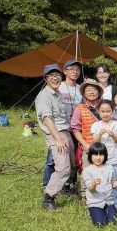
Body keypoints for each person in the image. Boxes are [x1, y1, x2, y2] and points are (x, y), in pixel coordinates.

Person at [35, 64, 75, 210]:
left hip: (65, 132)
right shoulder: (44, 96)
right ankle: (48, 199)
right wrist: (58, 139)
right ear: (45, 79)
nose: (55, 78)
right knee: (63, 168)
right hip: (56, 135)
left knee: (71, 164)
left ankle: (64, 189)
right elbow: (47, 119)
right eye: (51, 75)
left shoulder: (58, 94)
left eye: (57, 75)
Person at [43, 59, 82, 194]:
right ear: (65, 72)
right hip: (58, 130)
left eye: (77, 69)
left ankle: (68, 185)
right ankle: (47, 185)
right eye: (71, 69)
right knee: (53, 159)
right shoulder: (58, 87)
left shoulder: (80, 88)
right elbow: (47, 115)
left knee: (73, 159)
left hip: (74, 129)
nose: (75, 71)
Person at [71, 78, 103, 204]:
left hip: (104, 147)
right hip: (88, 145)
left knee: (103, 171)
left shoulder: (105, 105)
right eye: (88, 89)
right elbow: (75, 129)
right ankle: (84, 195)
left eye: (94, 89)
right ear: (84, 93)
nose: (91, 92)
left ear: (99, 92)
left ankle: (102, 193)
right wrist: (84, 144)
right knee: (86, 171)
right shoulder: (80, 108)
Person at [81, 142, 117, 227]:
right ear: (90, 156)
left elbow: (113, 184)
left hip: (109, 201)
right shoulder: (87, 170)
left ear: (105, 156)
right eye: (95, 155)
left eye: (101, 155)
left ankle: (108, 210)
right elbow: (90, 188)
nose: (98, 158)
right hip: (95, 202)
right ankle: (91, 212)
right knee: (100, 224)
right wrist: (94, 184)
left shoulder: (110, 168)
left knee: (114, 221)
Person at [91, 99, 117, 208]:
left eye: (108, 111)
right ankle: (101, 202)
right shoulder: (95, 125)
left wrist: (112, 134)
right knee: (101, 182)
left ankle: (115, 203)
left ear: (112, 111)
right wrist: (99, 134)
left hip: (114, 159)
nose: (105, 114)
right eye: (103, 111)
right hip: (100, 160)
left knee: (114, 182)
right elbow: (94, 142)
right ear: (98, 111)